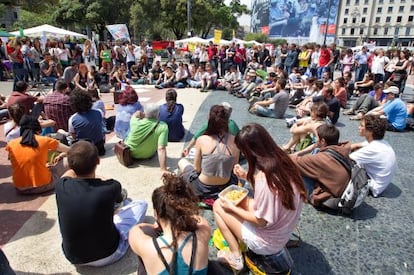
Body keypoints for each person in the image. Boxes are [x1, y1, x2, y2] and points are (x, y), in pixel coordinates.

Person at [213, 123, 305, 271]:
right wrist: (246, 176)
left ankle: (236, 257)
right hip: (283, 230)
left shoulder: (264, 180)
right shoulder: (284, 161)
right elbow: (273, 194)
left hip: (266, 243)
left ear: (250, 152)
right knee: (238, 203)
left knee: (219, 205)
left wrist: (232, 208)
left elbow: (261, 221)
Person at [56, 140, 147, 266]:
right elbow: (120, 199)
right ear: (97, 161)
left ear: (69, 165)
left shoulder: (61, 186)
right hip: (109, 254)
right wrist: (100, 178)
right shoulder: (111, 186)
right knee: (141, 204)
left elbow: (69, 174)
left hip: (73, 257)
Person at [129, 173, 210, 274]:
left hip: (159, 233)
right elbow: (198, 218)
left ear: (156, 214)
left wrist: (156, 225)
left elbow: (137, 228)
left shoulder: (146, 247)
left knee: (146, 245)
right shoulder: (204, 231)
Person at [178, 105, 240, 199]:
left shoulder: (202, 140)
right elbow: (234, 168)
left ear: (209, 120)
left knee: (182, 162)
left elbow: (197, 169)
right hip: (225, 186)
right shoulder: (235, 141)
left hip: (202, 188)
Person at [6, 115, 69, 194]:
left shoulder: (11, 144)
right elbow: (71, 150)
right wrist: (62, 155)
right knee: (69, 160)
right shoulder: (45, 140)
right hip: (43, 185)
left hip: (20, 188)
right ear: (38, 128)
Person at [290, 124, 351, 205]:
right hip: (337, 188)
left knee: (293, 169)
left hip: (325, 197)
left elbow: (293, 161)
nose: (315, 140)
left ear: (323, 141)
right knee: (317, 150)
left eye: (317, 138)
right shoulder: (342, 149)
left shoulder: (322, 159)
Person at [350, 115, 397, 197]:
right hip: (381, 183)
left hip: (373, 186)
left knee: (341, 166)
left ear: (370, 131)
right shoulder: (382, 142)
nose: (359, 127)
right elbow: (357, 145)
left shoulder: (373, 149)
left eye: (361, 125)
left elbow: (347, 159)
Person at [124, 103, 170, 174]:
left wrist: (140, 113)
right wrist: (163, 169)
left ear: (145, 113)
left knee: (128, 132)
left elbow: (135, 115)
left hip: (129, 152)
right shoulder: (163, 126)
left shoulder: (135, 121)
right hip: (147, 154)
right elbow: (161, 148)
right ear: (158, 114)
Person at [68, 89, 106, 155]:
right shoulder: (99, 112)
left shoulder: (72, 119)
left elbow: (73, 136)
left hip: (84, 151)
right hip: (99, 147)